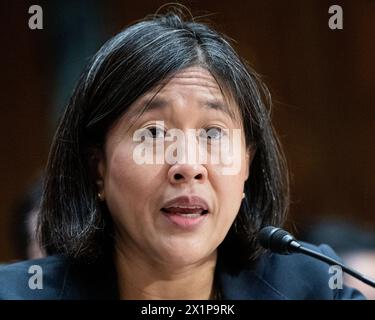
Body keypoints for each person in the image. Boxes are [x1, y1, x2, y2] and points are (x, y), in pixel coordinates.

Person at [0, 9, 364, 300]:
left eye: (212, 133)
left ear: (248, 166)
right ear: (98, 167)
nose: (189, 165)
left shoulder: (312, 287)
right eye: (154, 133)